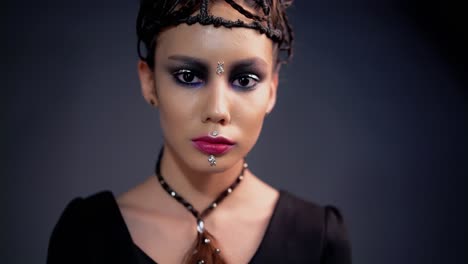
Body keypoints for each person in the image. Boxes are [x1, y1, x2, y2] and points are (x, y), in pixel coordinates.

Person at [47, 0, 351, 263]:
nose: (217, 110)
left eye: (245, 80)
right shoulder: (85, 235)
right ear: (149, 82)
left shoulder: (318, 238)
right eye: (188, 76)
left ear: (271, 90)